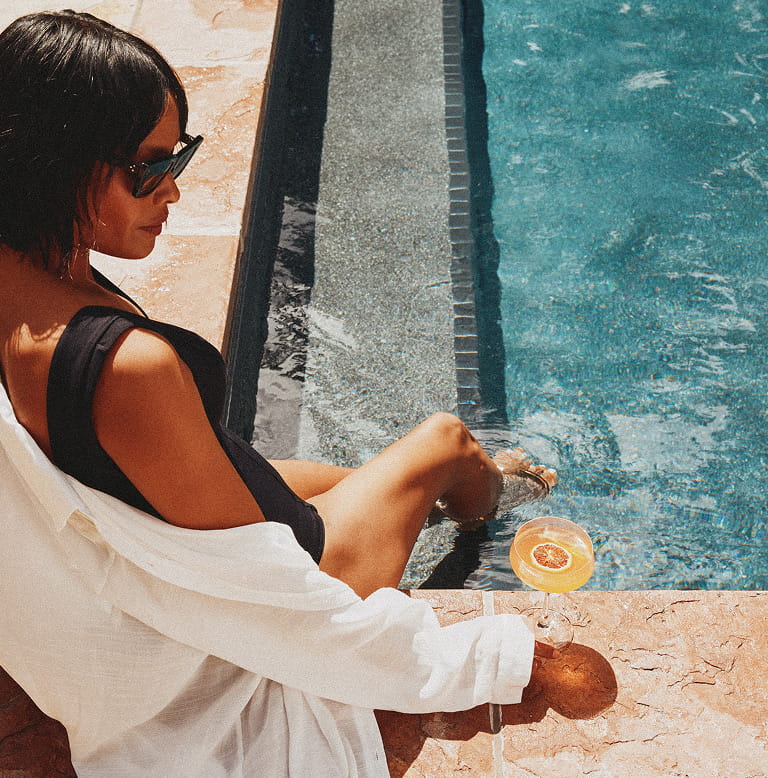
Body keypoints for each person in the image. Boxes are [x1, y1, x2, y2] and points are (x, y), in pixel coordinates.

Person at [0, 10, 557, 777]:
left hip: (174, 494)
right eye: (148, 170)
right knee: (443, 440)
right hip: (273, 571)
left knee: (354, 477)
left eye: (180, 158)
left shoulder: (21, 283)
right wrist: (453, 655)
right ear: (57, 163)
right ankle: (484, 495)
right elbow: (269, 583)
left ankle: (430, 498)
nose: (173, 193)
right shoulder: (125, 368)